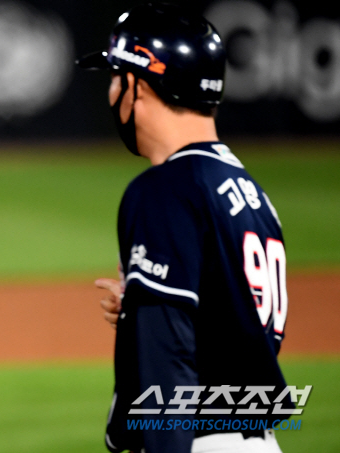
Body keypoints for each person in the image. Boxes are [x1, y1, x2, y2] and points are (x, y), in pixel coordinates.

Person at [77, 3, 293, 452]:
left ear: (139, 86)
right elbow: (234, 326)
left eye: (116, 77)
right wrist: (140, 307)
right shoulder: (250, 193)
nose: (111, 92)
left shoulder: (166, 189)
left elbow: (169, 359)